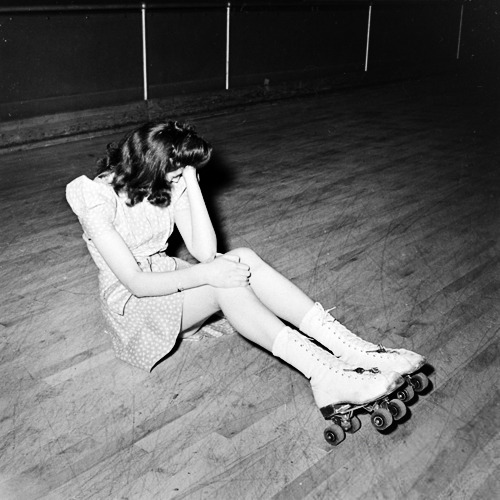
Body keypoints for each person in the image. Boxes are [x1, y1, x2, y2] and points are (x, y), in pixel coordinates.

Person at [66, 120, 425, 418]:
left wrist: (191, 183)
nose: (178, 183)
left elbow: (205, 251)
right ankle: (323, 375)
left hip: (168, 278)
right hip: (135, 306)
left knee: (242, 257)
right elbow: (136, 282)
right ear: (150, 168)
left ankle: (350, 349)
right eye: (176, 177)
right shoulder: (96, 198)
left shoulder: (169, 183)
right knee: (224, 282)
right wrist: (209, 274)